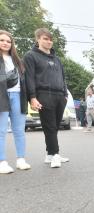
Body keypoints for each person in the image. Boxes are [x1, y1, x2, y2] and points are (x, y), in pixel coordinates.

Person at [23, 28, 69, 168]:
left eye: (50, 39)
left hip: (59, 95)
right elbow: (29, 78)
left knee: (54, 126)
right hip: (43, 94)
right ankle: (55, 155)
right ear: (37, 39)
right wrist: (32, 97)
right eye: (45, 39)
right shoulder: (30, 56)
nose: (49, 42)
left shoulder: (57, 59)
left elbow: (63, 77)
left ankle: (50, 155)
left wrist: (65, 94)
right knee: (49, 126)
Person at [0, 30, 31, 174]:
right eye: (2, 40)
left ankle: (21, 159)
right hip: (2, 96)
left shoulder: (17, 60)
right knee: (1, 131)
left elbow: (25, 80)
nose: (5, 43)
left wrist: (32, 97)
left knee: (19, 130)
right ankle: (2, 162)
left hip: (18, 95)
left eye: (8, 41)